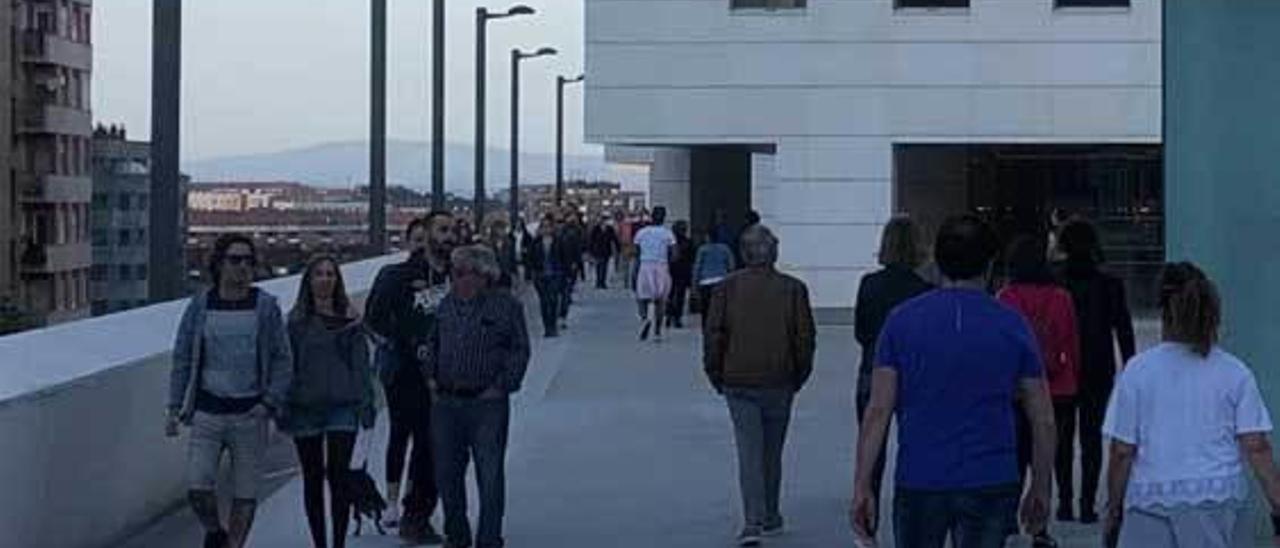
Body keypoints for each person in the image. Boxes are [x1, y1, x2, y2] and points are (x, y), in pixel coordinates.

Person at [850, 215, 1056, 548]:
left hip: (920, 476)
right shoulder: (1013, 325)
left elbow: (878, 410)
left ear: (938, 260)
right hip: (991, 475)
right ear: (990, 265)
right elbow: (1043, 418)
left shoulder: (901, 322)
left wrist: (862, 486)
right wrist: (1042, 486)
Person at [1102, 262, 1280, 547]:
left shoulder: (1138, 371)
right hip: (1220, 502)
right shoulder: (1234, 371)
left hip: (1150, 502)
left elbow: (1122, 451)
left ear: (1163, 310)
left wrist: (1114, 509)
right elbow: (1256, 446)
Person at [167, 234, 293, 548]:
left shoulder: (264, 306)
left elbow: (282, 357)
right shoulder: (201, 305)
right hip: (208, 411)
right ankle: (215, 533)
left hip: (250, 413)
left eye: (248, 260)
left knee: (246, 492)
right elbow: (183, 356)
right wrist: (174, 405)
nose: (242, 267)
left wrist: (269, 402)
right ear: (219, 264)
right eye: (234, 260)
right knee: (198, 487)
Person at [703, 225, 815, 547]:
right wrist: (799, 374)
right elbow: (805, 338)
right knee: (772, 450)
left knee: (749, 450)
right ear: (774, 251)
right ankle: (770, 514)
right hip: (779, 380)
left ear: (743, 252)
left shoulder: (726, 289)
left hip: (738, 380)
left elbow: (714, 335)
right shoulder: (794, 289)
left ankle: (753, 521)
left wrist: (715, 373)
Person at [424, 245, 532, 548]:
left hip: (487, 404)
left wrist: (503, 385)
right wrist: (430, 377)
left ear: (486, 276)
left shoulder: (505, 306)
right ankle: (456, 535)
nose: (463, 280)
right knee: (447, 473)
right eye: (457, 274)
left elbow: (519, 349)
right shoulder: (444, 305)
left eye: (471, 273)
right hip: (446, 402)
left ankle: (489, 538)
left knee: (490, 473)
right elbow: (432, 341)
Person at [365, 212, 456, 544]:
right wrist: (407, 341)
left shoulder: (458, 274)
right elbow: (374, 318)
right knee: (425, 443)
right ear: (427, 235)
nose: (449, 236)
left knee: (438, 448)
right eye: (442, 230)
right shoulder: (399, 276)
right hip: (410, 376)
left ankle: (420, 513)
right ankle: (414, 516)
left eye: (453, 230)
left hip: (450, 375)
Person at [283, 255, 376, 548]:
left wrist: (366, 403)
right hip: (305, 407)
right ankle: (319, 542)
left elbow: (361, 364)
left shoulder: (349, 320)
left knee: (339, 476)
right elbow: (286, 364)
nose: (325, 279)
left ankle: (338, 542)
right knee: (312, 478)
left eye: (330, 274)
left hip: (342, 405)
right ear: (308, 281)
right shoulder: (295, 323)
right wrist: (283, 404)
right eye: (319, 274)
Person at [851, 216, 933, 537]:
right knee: (916, 448)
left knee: (872, 449)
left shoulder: (869, 284)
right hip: (916, 378)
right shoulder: (925, 290)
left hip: (873, 372)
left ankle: (867, 522)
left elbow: (861, 331)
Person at [998, 235, 1080, 548]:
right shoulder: (1061, 297)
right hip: (1057, 387)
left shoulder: (1007, 296)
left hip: (1017, 392)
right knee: (1047, 458)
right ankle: (1040, 523)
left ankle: (1009, 521)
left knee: (1016, 459)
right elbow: (1071, 342)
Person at [1056, 219, 1136, 523]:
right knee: (1091, 439)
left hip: (1062, 367)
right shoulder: (1110, 284)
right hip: (1098, 368)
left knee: (1062, 437)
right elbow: (1124, 329)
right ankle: (1086, 504)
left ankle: (1064, 501)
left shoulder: (1055, 280)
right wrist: (1130, 366)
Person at [633, 206, 677, 342]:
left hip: (645, 265)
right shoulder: (668, 234)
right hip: (662, 266)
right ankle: (657, 331)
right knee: (660, 300)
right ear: (664, 218)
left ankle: (645, 318)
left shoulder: (641, 233)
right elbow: (674, 254)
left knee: (642, 297)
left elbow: (636, 252)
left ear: (651, 217)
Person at [524, 215, 571, 338]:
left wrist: (567, 274)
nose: (546, 229)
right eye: (543, 226)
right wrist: (529, 275)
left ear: (552, 228)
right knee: (544, 302)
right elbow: (530, 259)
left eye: (548, 226)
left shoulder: (559, 241)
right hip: (540, 276)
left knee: (553, 300)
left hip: (555, 274)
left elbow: (565, 258)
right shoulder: (535, 243)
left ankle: (553, 326)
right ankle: (547, 327)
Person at [692, 228, 736, 328]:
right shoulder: (725, 249)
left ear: (708, 237)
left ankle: (706, 330)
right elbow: (732, 266)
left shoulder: (702, 249)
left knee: (705, 310)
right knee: (721, 309)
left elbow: (697, 268)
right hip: (722, 281)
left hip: (705, 283)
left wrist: (694, 286)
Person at [666, 220, 695, 329]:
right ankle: (677, 317)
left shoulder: (670, 242)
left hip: (671, 270)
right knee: (680, 296)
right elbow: (692, 258)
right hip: (683, 271)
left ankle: (670, 315)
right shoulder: (688, 242)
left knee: (670, 293)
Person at [588, 216, 620, 289]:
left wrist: (618, 248)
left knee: (604, 266)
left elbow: (614, 238)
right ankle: (598, 281)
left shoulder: (610, 229)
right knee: (598, 266)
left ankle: (602, 282)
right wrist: (590, 250)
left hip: (606, 250)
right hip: (597, 250)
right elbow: (591, 240)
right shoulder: (596, 228)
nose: (603, 222)